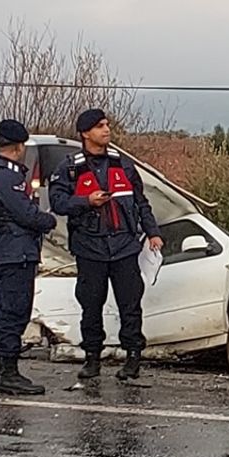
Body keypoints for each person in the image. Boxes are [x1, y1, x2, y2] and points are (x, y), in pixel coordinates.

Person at [49, 109, 162, 381]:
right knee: (91, 305)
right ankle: (92, 359)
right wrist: (86, 201)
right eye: (100, 126)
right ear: (86, 133)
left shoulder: (123, 165)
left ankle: (133, 358)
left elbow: (140, 203)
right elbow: (58, 203)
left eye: (107, 125)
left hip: (124, 246)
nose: (107, 130)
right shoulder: (70, 168)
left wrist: (152, 232)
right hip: (90, 248)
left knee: (130, 305)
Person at [0, 119, 57, 395]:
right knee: (14, 312)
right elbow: (25, 214)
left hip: (3, 250)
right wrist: (48, 220)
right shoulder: (6, 176)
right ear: (19, 146)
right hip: (15, 251)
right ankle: (8, 372)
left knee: (2, 312)